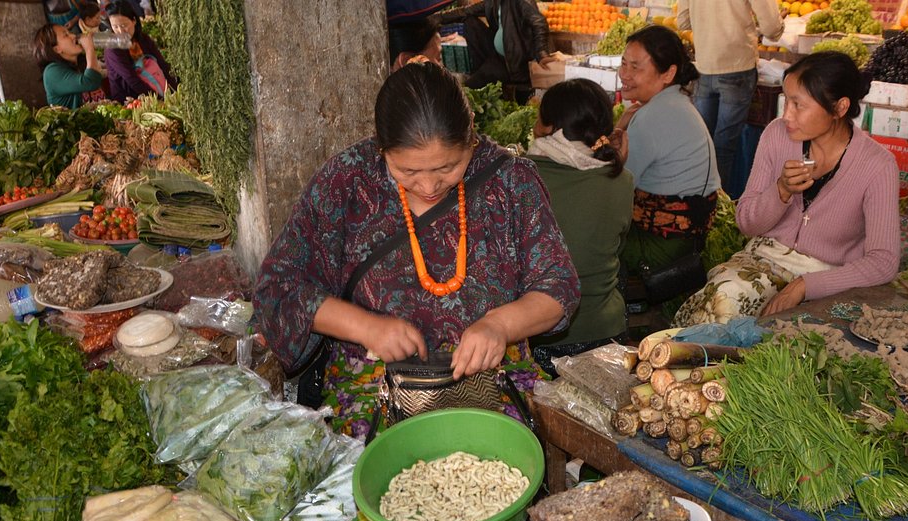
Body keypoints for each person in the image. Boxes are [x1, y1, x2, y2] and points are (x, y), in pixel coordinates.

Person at [255, 61, 578, 440]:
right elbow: (280, 287)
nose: (428, 186)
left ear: (471, 137)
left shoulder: (510, 182)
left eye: (447, 167)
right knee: (383, 459)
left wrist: (500, 325)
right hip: (374, 385)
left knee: (503, 453)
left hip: (492, 379)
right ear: (382, 148)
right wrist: (366, 326)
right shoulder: (347, 181)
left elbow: (558, 288)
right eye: (407, 171)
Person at [672, 52, 900, 325]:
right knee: (723, 301)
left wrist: (805, 285)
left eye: (798, 105)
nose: (786, 115)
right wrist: (780, 191)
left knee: (783, 332)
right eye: (786, 100)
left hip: (829, 278)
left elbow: (883, 261)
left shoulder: (877, 165)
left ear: (839, 108)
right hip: (761, 261)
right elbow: (746, 223)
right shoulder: (776, 135)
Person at [526, 78, 634, 375]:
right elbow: (614, 246)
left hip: (542, 338)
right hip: (606, 333)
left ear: (548, 127)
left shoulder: (523, 177)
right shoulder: (622, 180)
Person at [615, 25, 719, 302]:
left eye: (635, 67)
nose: (624, 74)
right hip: (688, 240)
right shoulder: (676, 103)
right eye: (623, 63)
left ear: (668, 74)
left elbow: (614, 188)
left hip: (662, 248)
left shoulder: (652, 116)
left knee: (579, 232)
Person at [677, 0, 783, 190]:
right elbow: (771, 27)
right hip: (737, 65)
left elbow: (683, 21)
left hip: (704, 66)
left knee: (701, 142)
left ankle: (695, 197)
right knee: (723, 146)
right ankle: (716, 200)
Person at [463, 0, 552, 103]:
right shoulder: (494, 2)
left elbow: (539, 22)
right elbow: (465, 11)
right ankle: (482, 72)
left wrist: (542, 53)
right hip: (499, 57)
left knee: (471, 86)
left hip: (515, 65)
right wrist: (445, 17)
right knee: (469, 21)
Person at [103, 1, 177, 101]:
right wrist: (159, 100)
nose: (120, 31)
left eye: (124, 25)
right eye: (115, 26)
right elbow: (131, 79)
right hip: (129, 99)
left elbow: (162, 65)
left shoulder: (144, 39)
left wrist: (174, 91)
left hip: (156, 91)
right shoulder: (113, 48)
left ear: (134, 20)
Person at [33, 23, 105, 109]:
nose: (73, 36)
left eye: (70, 32)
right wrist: (89, 49)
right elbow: (91, 82)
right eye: (66, 35)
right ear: (57, 49)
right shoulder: (51, 72)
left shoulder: (80, 62)